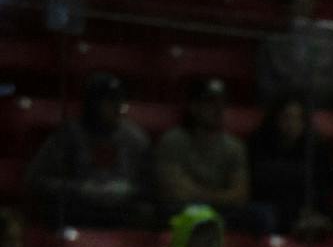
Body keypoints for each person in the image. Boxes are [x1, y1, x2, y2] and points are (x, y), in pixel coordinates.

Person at [25, 72, 152, 228]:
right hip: (78, 211)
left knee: (146, 212)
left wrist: (129, 189)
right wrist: (80, 189)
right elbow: (37, 180)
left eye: (119, 101)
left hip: (122, 211)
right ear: (92, 104)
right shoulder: (68, 136)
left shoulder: (134, 138)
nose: (117, 108)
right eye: (109, 102)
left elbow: (149, 183)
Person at [154, 78, 267, 234]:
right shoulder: (173, 141)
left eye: (222, 103)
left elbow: (240, 195)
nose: (218, 109)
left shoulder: (234, 146)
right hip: (185, 210)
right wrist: (220, 197)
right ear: (194, 107)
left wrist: (200, 195)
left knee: (260, 215)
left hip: (221, 212)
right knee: (166, 211)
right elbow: (174, 191)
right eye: (210, 103)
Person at [247, 95, 333, 238]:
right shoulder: (258, 143)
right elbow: (255, 183)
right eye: (286, 117)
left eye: (298, 118)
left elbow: (323, 186)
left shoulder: (316, 148)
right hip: (268, 211)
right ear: (275, 119)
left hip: (304, 212)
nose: (292, 124)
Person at [255, 0, 333, 110]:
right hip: (281, 103)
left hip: (323, 101)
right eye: (299, 3)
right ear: (289, 5)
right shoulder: (273, 40)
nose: (303, 7)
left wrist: (320, 88)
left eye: (307, 3)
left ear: (315, 5)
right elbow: (265, 78)